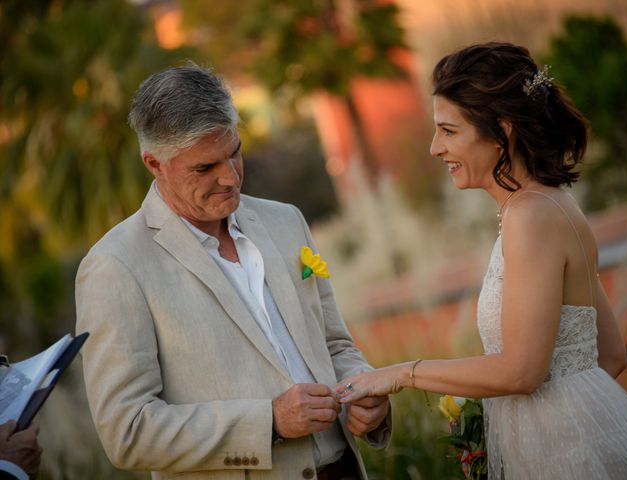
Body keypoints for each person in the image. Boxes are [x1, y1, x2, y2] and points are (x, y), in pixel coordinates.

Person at [335, 42, 627, 479]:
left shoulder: (529, 217)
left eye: (449, 131)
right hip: (581, 444)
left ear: (502, 130)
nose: (434, 148)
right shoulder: (554, 205)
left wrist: (401, 373)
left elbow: (521, 372)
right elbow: (610, 355)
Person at [75, 63, 391, 480]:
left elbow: (334, 344)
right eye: (205, 168)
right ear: (154, 164)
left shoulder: (286, 221)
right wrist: (269, 422)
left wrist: (364, 390)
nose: (231, 177)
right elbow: (127, 432)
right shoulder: (115, 266)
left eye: (235, 152)